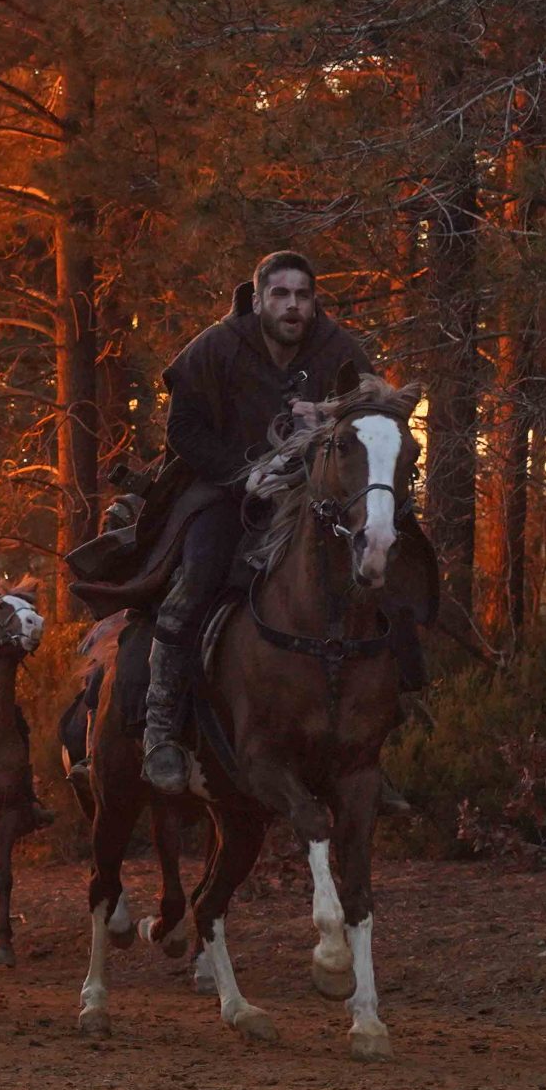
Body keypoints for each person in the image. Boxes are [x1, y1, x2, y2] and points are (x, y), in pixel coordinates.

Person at [143, 250, 375, 795]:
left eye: (303, 295)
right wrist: (241, 474)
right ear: (260, 297)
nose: (293, 305)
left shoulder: (338, 349)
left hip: (318, 496)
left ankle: (382, 732)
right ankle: (161, 731)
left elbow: (374, 408)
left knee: (384, 571)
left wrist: (329, 416)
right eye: (281, 294)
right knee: (194, 582)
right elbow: (183, 428)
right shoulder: (218, 345)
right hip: (228, 493)